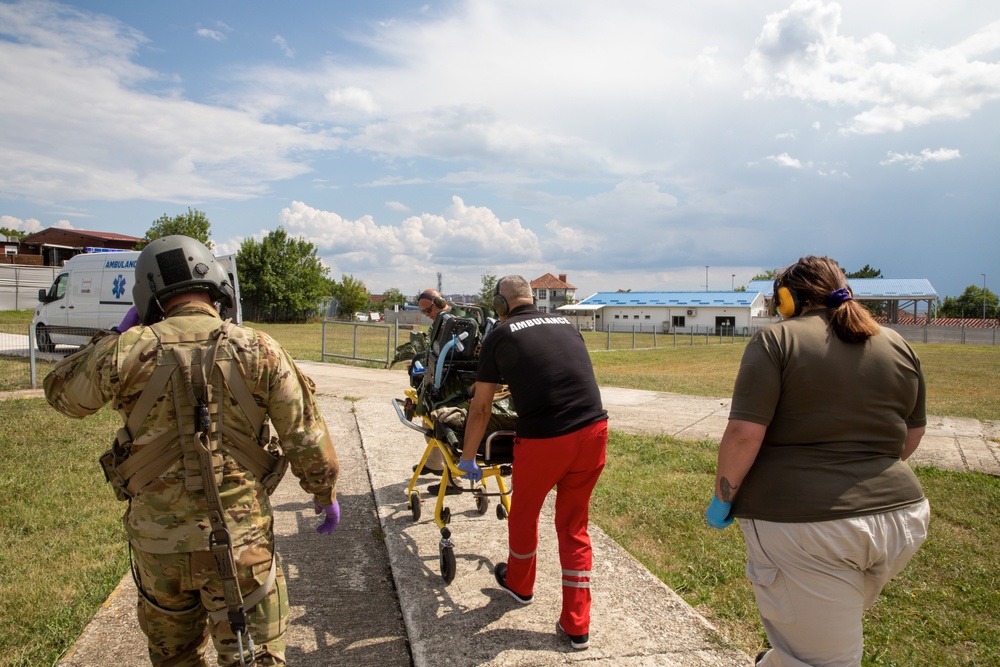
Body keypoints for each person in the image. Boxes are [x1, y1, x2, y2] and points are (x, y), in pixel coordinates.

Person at [44, 235, 341, 667]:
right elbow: (307, 439)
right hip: (242, 544)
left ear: (146, 294)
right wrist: (323, 493)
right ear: (217, 284)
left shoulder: (127, 350)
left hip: (160, 548)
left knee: (175, 659)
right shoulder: (259, 349)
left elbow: (62, 394)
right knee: (254, 658)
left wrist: (117, 335)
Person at [705, 256, 930, 667]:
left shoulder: (777, 340)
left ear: (788, 299)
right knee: (821, 638)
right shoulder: (897, 342)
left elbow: (744, 434)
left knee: (824, 660)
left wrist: (723, 498)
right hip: (902, 518)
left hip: (811, 530)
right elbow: (912, 435)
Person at [456, 275, 608, 651]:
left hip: (546, 439)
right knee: (574, 527)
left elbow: (480, 407)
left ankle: (521, 586)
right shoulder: (565, 325)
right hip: (593, 431)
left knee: (525, 514)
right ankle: (577, 625)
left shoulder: (500, 334)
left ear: (500, 306)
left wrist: (468, 456)